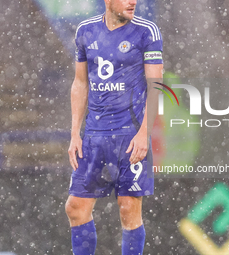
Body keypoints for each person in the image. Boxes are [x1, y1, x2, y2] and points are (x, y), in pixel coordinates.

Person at [65, 0, 163, 254]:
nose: (134, 1)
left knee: (128, 208)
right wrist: (75, 133)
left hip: (129, 137)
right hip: (93, 137)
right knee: (75, 208)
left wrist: (144, 134)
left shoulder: (146, 31)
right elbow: (80, 83)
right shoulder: (85, 31)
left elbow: (155, 87)